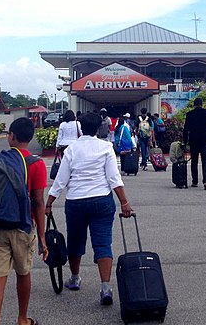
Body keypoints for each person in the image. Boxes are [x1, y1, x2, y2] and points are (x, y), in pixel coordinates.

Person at [45, 112, 134, 306]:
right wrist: (124, 202)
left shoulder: (71, 149)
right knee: (103, 243)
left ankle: (75, 278)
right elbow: (113, 178)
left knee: (75, 241)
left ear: (80, 129)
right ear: (97, 129)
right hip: (101, 200)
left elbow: (61, 180)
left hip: (76, 201)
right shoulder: (106, 147)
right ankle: (105, 287)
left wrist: (49, 202)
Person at [0, 118, 48, 325]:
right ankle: (22, 319)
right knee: (23, 273)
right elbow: (38, 202)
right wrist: (42, 236)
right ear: (30, 138)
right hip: (23, 226)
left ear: (11, 137)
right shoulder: (37, 163)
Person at [182, 97, 206, 190]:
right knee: (205, 161)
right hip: (205, 139)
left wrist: (184, 141)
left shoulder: (190, 114)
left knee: (194, 161)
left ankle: (195, 181)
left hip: (194, 139)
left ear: (194, 104)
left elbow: (186, 129)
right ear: (202, 104)